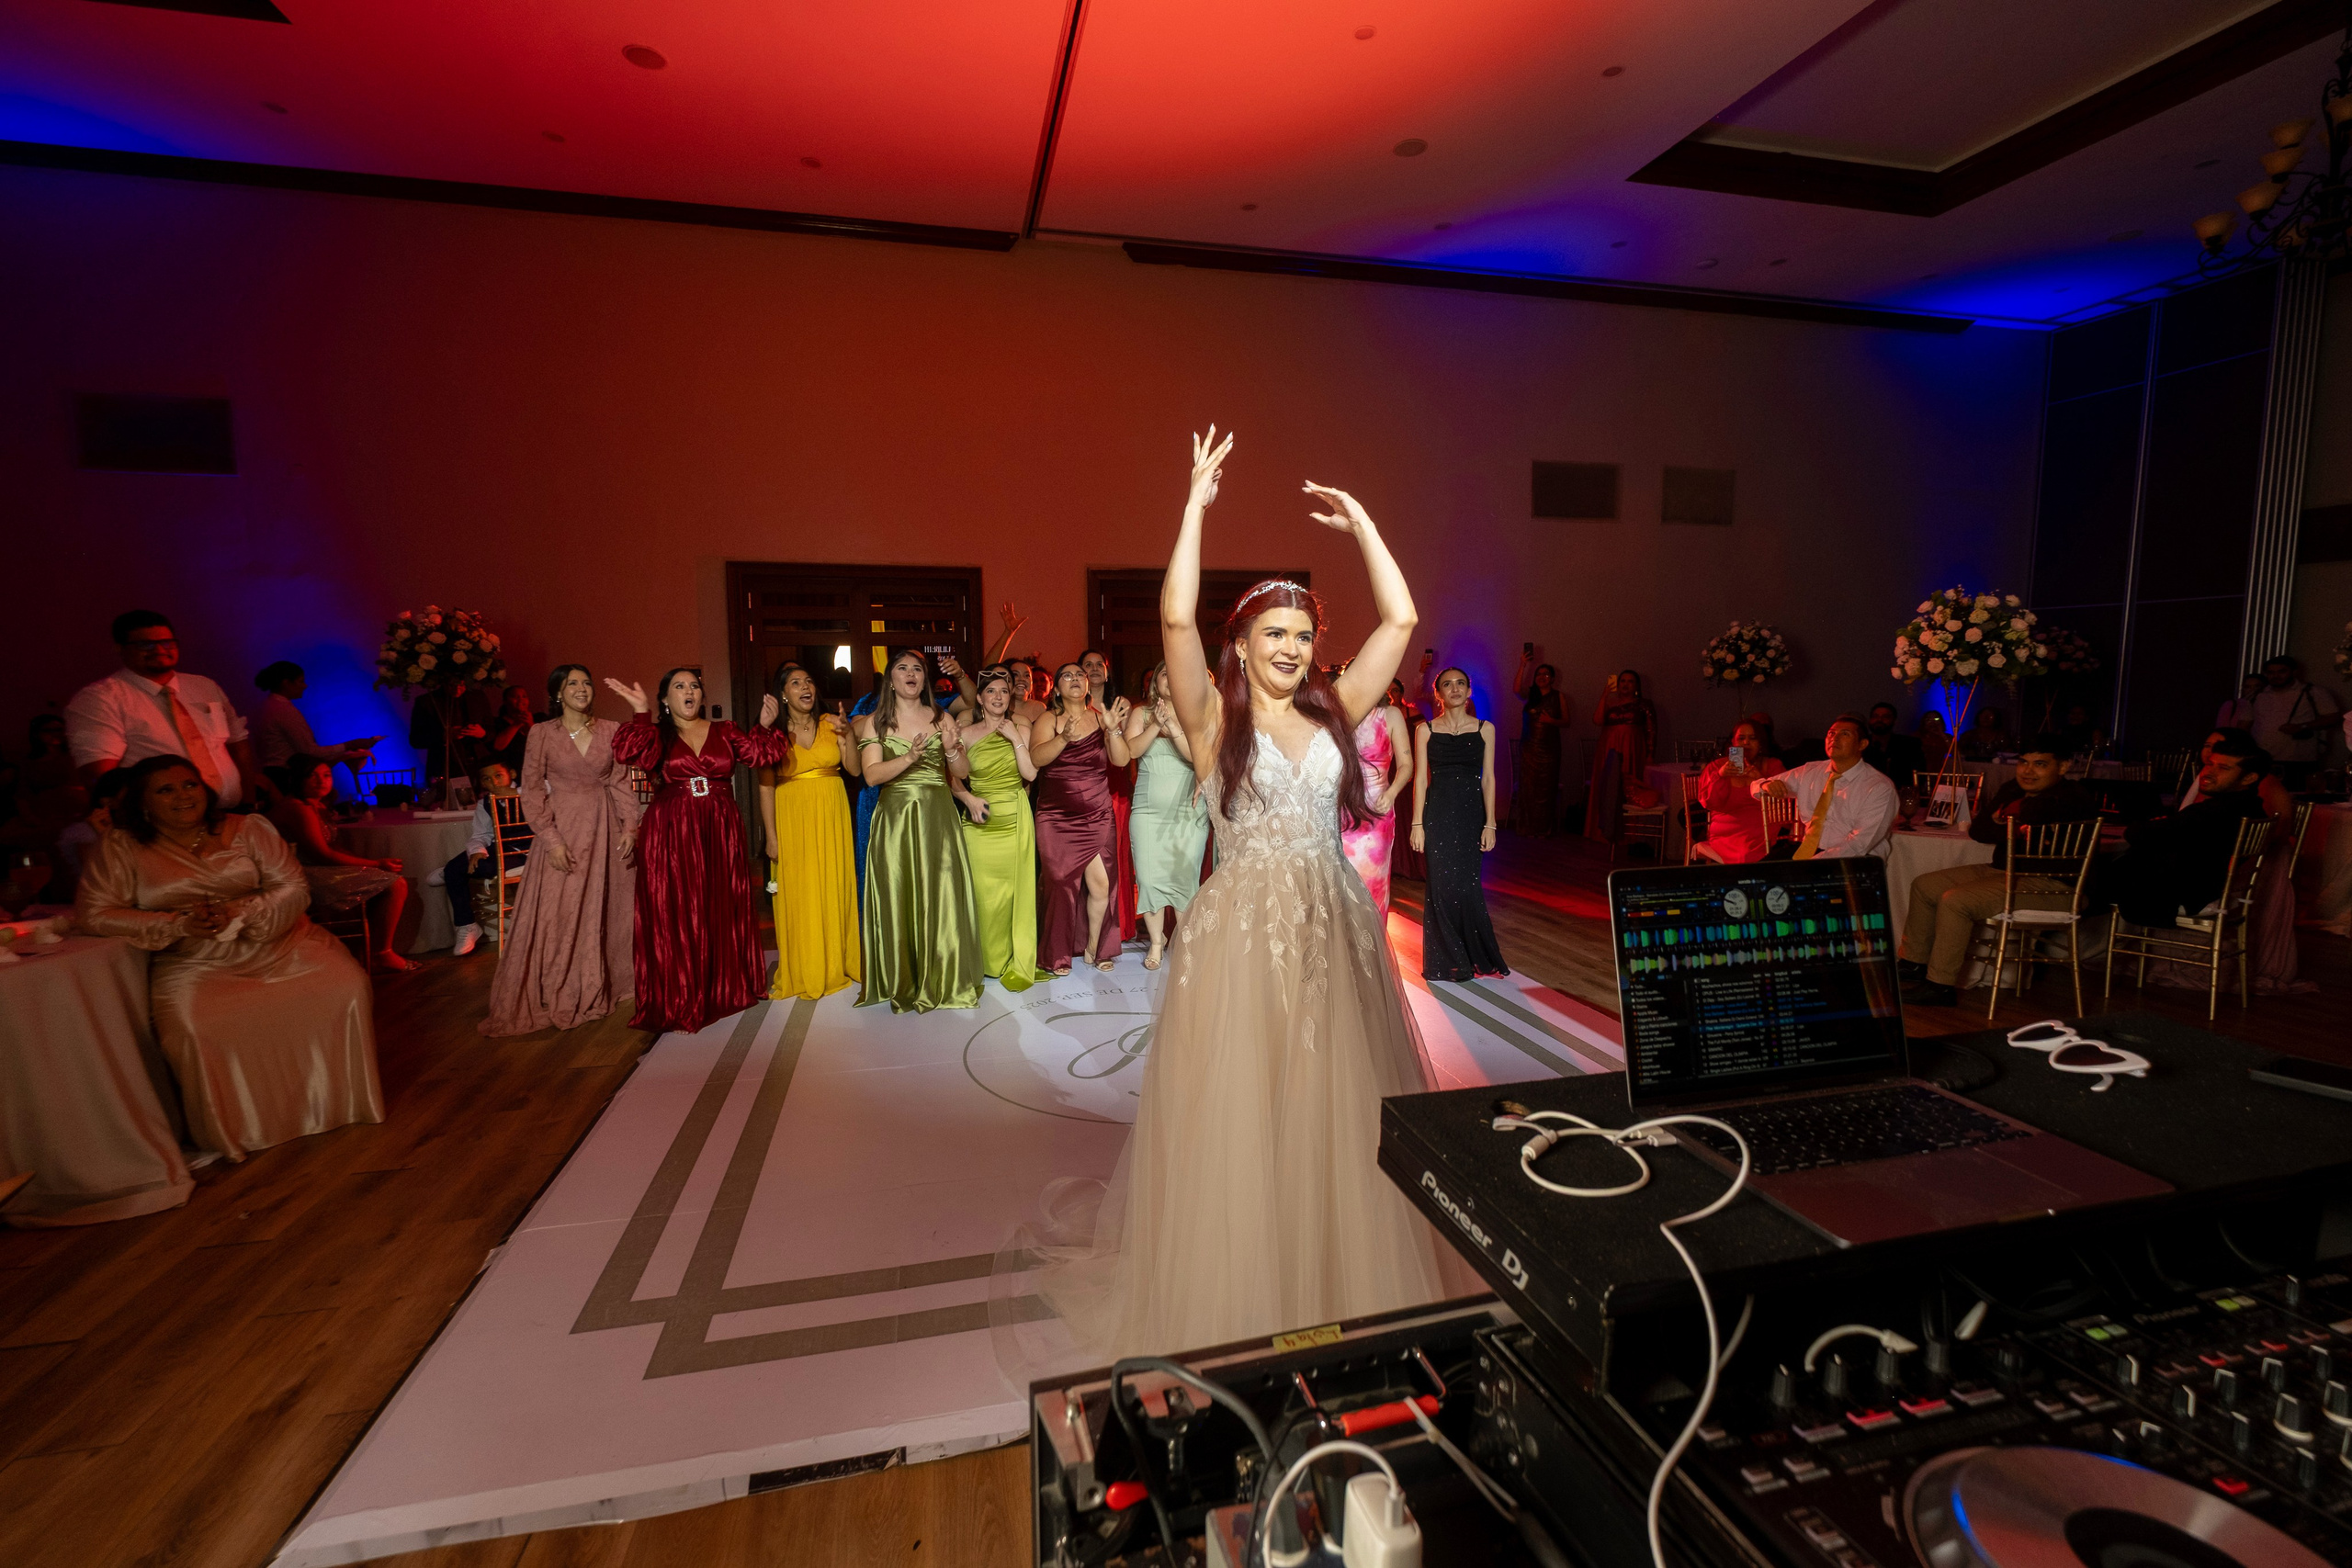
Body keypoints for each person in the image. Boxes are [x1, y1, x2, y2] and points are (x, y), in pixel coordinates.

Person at [1022, 428, 1464, 1362]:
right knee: (1247, 1111)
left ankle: (1337, 1282)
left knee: (1333, 1104)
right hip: (1243, 931)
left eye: (1305, 637)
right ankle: (1247, 1290)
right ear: (1244, 642)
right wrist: (1192, 506)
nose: (1295, 650)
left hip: (1332, 922)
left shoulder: (1335, 709)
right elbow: (1174, 621)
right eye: (1276, 635)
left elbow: (1402, 621)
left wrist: (1366, 525)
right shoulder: (1209, 718)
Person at [74, 754, 381, 1161]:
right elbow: (94, 913)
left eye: (190, 784)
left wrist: (239, 913)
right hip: (194, 960)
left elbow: (292, 887)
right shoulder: (121, 845)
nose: (183, 796)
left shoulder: (248, 828)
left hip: (281, 942)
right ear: (143, 802)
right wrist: (179, 924)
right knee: (192, 1024)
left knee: (344, 983)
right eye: (166, 790)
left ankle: (338, 1105)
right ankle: (237, 1130)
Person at [609, 668, 786, 1035]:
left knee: (719, 904)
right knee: (676, 907)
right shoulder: (657, 734)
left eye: (694, 686)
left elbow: (759, 756)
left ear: (702, 696)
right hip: (672, 830)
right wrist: (640, 711)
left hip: (719, 828)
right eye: (679, 686)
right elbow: (627, 752)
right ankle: (682, 993)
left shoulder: (726, 730)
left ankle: (723, 986)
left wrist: (766, 724)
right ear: (665, 699)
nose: (688, 691)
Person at [481, 664, 641, 1036]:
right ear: (558, 693)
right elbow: (532, 790)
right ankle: (558, 986)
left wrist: (630, 827)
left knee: (610, 909)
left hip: (605, 829)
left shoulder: (610, 730)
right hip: (564, 829)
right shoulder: (542, 733)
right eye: (573, 684)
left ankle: (607, 982)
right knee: (562, 910)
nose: (582, 689)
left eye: (587, 683)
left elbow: (620, 783)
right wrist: (551, 839)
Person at [1895, 739, 2098, 1007]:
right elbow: (1979, 831)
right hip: (2003, 870)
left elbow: (2037, 812)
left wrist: (2006, 815)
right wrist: (2014, 826)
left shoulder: (2074, 795)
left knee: (1956, 901)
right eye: (2023, 763)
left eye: (2040, 765)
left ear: (2062, 767)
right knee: (1925, 885)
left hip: (2055, 884)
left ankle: (1940, 986)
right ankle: (1913, 964)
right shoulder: (2011, 788)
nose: (2028, 771)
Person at [853, 649, 982, 1012]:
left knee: (941, 894)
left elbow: (961, 771)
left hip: (938, 816)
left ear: (925, 679)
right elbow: (872, 775)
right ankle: (904, 979)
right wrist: (909, 758)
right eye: (902, 668)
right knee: (900, 893)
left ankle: (945, 977)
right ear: (890, 678)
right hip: (896, 819)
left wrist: (952, 747)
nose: (911, 674)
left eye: (917, 669)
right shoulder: (875, 721)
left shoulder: (940, 715)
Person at [67, 610, 264, 808]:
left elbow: (238, 744)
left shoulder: (203, 686)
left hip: (231, 812)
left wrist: (248, 802)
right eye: (145, 645)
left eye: (167, 642)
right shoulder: (101, 698)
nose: (159, 650)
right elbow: (99, 776)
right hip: (163, 824)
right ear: (120, 648)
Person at [2173, 727, 2304, 993]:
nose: (2210, 753)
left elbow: (2275, 830)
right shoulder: (2213, 778)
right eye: (2207, 746)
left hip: (2248, 869)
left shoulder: (2253, 785)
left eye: (2218, 747)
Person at [759, 663, 861, 1001]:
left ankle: (836, 961)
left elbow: (854, 770)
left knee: (832, 885)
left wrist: (849, 735)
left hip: (831, 813)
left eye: (809, 680)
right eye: (795, 682)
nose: (805, 687)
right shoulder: (773, 733)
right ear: (783, 693)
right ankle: (806, 966)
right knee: (799, 890)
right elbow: (765, 787)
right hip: (792, 817)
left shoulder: (832, 723)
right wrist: (771, 837)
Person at [2099, 737, 2272, 929]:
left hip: (2182, 894)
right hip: (2207, 888)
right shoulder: (2252, 807)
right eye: (2209, 764)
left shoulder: (2217, 811)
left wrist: (2157, 827)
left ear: (2249, 778)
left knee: (2085, 881)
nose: (2209, 773)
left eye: (2223, 768)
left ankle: (2079, 950)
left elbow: (2137, 834)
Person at [269, 753, 415, 972]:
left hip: (315, 868)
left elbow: (333, 849)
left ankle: (373, 950)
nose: (322, 781)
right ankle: (381, 953)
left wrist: (369, 865)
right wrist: (375, 864)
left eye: (326, 775)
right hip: (301, 874)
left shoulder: (314, 805)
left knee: (390, 881)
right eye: (313, 776)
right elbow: (322, 854)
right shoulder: (298, 808)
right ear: (299, 778)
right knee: (395, 884)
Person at [1032, 661, 1132, 975]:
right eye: (1067, 675)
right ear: (1057, 689)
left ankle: (1096, 948)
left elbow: (1121, 759)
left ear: (1088, 685)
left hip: (1098, 812)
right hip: (1056, 816)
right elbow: (1036, 759)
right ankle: (1056, 954)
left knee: (1102, 885)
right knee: (1060, 884)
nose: (1075, 679)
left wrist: (1113, 729)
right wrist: (1063, 738)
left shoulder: (1101, 719)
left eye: (1080, 675)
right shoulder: (1049, 718)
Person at [1415, 667, 1509, 980]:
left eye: (1460, 683)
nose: (1454, 689)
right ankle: (1448, 960)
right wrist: (1417, 824)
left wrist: (1490, 824)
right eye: (1447, 685)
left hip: (1471, 815)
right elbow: (1419, 781)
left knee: (1468, 887)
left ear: (1469, 690)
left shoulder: (1485, 729)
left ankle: (1473, 955)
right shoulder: (1425, 730)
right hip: (1437, 813)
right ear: (1438, 693)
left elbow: (1489, 779)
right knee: (1440, 887)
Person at [953, 666, 1041, 991]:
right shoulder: (965, 733)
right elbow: (952, 777)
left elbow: (1030, 774)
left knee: (1013, 895)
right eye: (991, 691)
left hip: (1015, 817)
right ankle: (982, 960)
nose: (999, 696)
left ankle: (1009, 958)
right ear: (979, 698)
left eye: (1004, 691)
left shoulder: (1023, 728)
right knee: (982, 894)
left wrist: (1016, 738)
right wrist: (968, 799)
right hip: (979, 823)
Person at [1124, 663, 1210, 968]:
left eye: (1176, 673)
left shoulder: (1198, 715)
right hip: (1148, 812)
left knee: (1185, 880)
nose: (1171, 679)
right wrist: (1154, 725)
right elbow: (1131, 751)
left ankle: (1184, 944)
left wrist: (1173, 727)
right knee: (1149, 880)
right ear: (1154, 682)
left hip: (1189, 810)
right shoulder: (1140, 713)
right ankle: (1157, 945)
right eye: (1164, 674)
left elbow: (1199, 757)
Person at [1752, 714, 1901, 862]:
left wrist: (1814, 863)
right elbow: (1755, 788)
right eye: (1831, 733)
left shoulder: (1878, 786)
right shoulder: (1810, 771)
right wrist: (1766, 785)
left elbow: (1859, 844)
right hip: (1808, 849)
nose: (1834, 738)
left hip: (1856, 859)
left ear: (1862, 744)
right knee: (1756, 875)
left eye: (1845, 734)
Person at [442, 760, 531, 959]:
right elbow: (481, 834)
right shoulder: (485, 803)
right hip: (502, 847)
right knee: (462, 865)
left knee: (485, 867)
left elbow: (554, 788)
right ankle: (467, 924)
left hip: (529, 851)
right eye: (487, 779)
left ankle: (452, 871)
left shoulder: (533, 790)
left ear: (512, 774)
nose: (494, 782)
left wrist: (515, 794)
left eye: (499, 775)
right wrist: (477, 850)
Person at [1340, 673, 1412, 916]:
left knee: (1373, 884)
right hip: (1340, 811)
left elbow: (1406, 765)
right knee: (1341, 887)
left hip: (1377, 811)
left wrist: (1391, 794)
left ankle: (1371, 949)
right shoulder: (1340, 717)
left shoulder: (1390, 715)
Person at [249, 661, 381, 782]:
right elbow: (309, 751)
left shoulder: (267, 706)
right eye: (301, 681)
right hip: (286, 776)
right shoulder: (283, 710)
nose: (305, 686)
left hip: (272, 773)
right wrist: (350, 745)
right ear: (286, 683)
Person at [1690, 720, 1786, 864]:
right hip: (1727, 832)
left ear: (1760, 744)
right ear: (1733, 742)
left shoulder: (1773, 765)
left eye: (1752, 738)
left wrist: (1761, 779)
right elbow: (1710, 803)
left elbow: (1784, 804)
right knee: (1744, 853)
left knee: (1757, 850)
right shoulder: (1716, 767)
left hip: (1764, 828)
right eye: (1741, 738)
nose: (1746, 742)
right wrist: (1720, 776)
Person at [1583, 670, 1656, 843]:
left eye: (1630, 681)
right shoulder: (1611, 702)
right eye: (1622, 681)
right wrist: (1605, 695)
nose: (1625, 684)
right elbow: (1598, 720)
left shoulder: (1644, 704)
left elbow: (1651, 731)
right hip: (1608, 747)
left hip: (1632, 749)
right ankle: (1602, 830)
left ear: (1636, 685)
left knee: (1628, 785)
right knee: (1607, 785)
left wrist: (1650, 754)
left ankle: (1628, 832)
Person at [2247, 655, 2341, 788]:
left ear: (2294, 672)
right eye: (2271, 673)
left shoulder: (2313, 692)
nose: (2276, 676)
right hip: (2263, 758)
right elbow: (2245, 724)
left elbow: (2334, 717)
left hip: (2299, 760)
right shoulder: (2258, 695)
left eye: (2282, 671)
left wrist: (2302, 726)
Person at [53, 769, 133, 897]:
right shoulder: (88, 834)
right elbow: (101, 880)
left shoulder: (151, 829)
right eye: (134, 794)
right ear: (109, 802)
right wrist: (105, 834)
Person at [1511, 653, 1567, 836]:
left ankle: (1544, 829)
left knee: (1546, 787)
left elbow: (1566, 721)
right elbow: (1516, 688)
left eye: (1546, 674)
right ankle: (1526, 827)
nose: (1542, 677)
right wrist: (1523, 665)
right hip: (1529, 748)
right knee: (1528, 787)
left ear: (1552, 678)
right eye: (1539, 674)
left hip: (1549, 749)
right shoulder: (1531, 695)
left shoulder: (1559, 696)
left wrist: (1551, 720)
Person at [408, 681, 493, 787]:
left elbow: (492, 730)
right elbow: (416, 740)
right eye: (452, 685)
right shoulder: (427, 701)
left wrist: (483, 733)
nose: (457, 689)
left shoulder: (477, 697)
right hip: (444, 766)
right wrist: (443, 736)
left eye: (462, 685)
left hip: (479, 765)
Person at [1862, 703, 1922, 791]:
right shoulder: (1861, 744)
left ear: (1894, 721)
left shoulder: (1909, 744)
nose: (1879, 720)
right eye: (1875, 716)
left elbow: (1917, 774)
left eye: (1885, 717)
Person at [484, 684, 537, 775]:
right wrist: (517, 724)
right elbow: (497, 746)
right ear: (505, 701)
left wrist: (530, 725)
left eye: (524, 696)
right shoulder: (497, 723)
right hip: (510, 772)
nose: (521, 700)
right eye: (515, 697)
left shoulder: (539, 719)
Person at [1915, 709, 1952, 775]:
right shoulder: (1916, 736)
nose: (1933, 723)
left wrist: (1942, 734)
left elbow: (1955, 752)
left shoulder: (1947, 737)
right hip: (1921, 770)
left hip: (1940, 772)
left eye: (1936, 719)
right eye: (1928, 720)